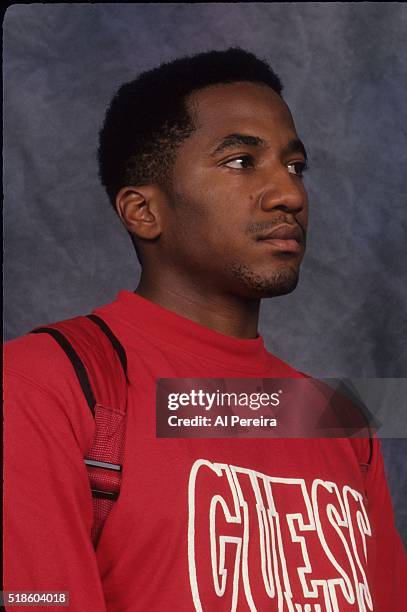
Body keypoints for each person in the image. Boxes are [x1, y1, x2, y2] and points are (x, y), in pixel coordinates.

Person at [4, 48, 406, 611]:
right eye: (241, 161)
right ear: (144, 211)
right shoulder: (42, 386)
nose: (290, 194)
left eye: (294, 166)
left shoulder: (336, 419)